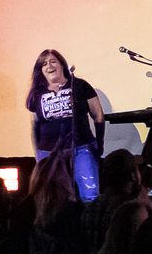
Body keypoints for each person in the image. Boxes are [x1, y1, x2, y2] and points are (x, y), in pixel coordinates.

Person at [26, 49, 104, 202]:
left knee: (90, 194)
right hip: (48, 152)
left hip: (81, 147)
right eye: (44, 64)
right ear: (40, 70)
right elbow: (35, 126)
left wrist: (99, 144)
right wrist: (38, 155)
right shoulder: (36, 94)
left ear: (62, 64)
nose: (49, 66)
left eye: (53, 61)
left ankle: (91, 216)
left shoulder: (79, 85)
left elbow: (98, 115)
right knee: (51, 197)